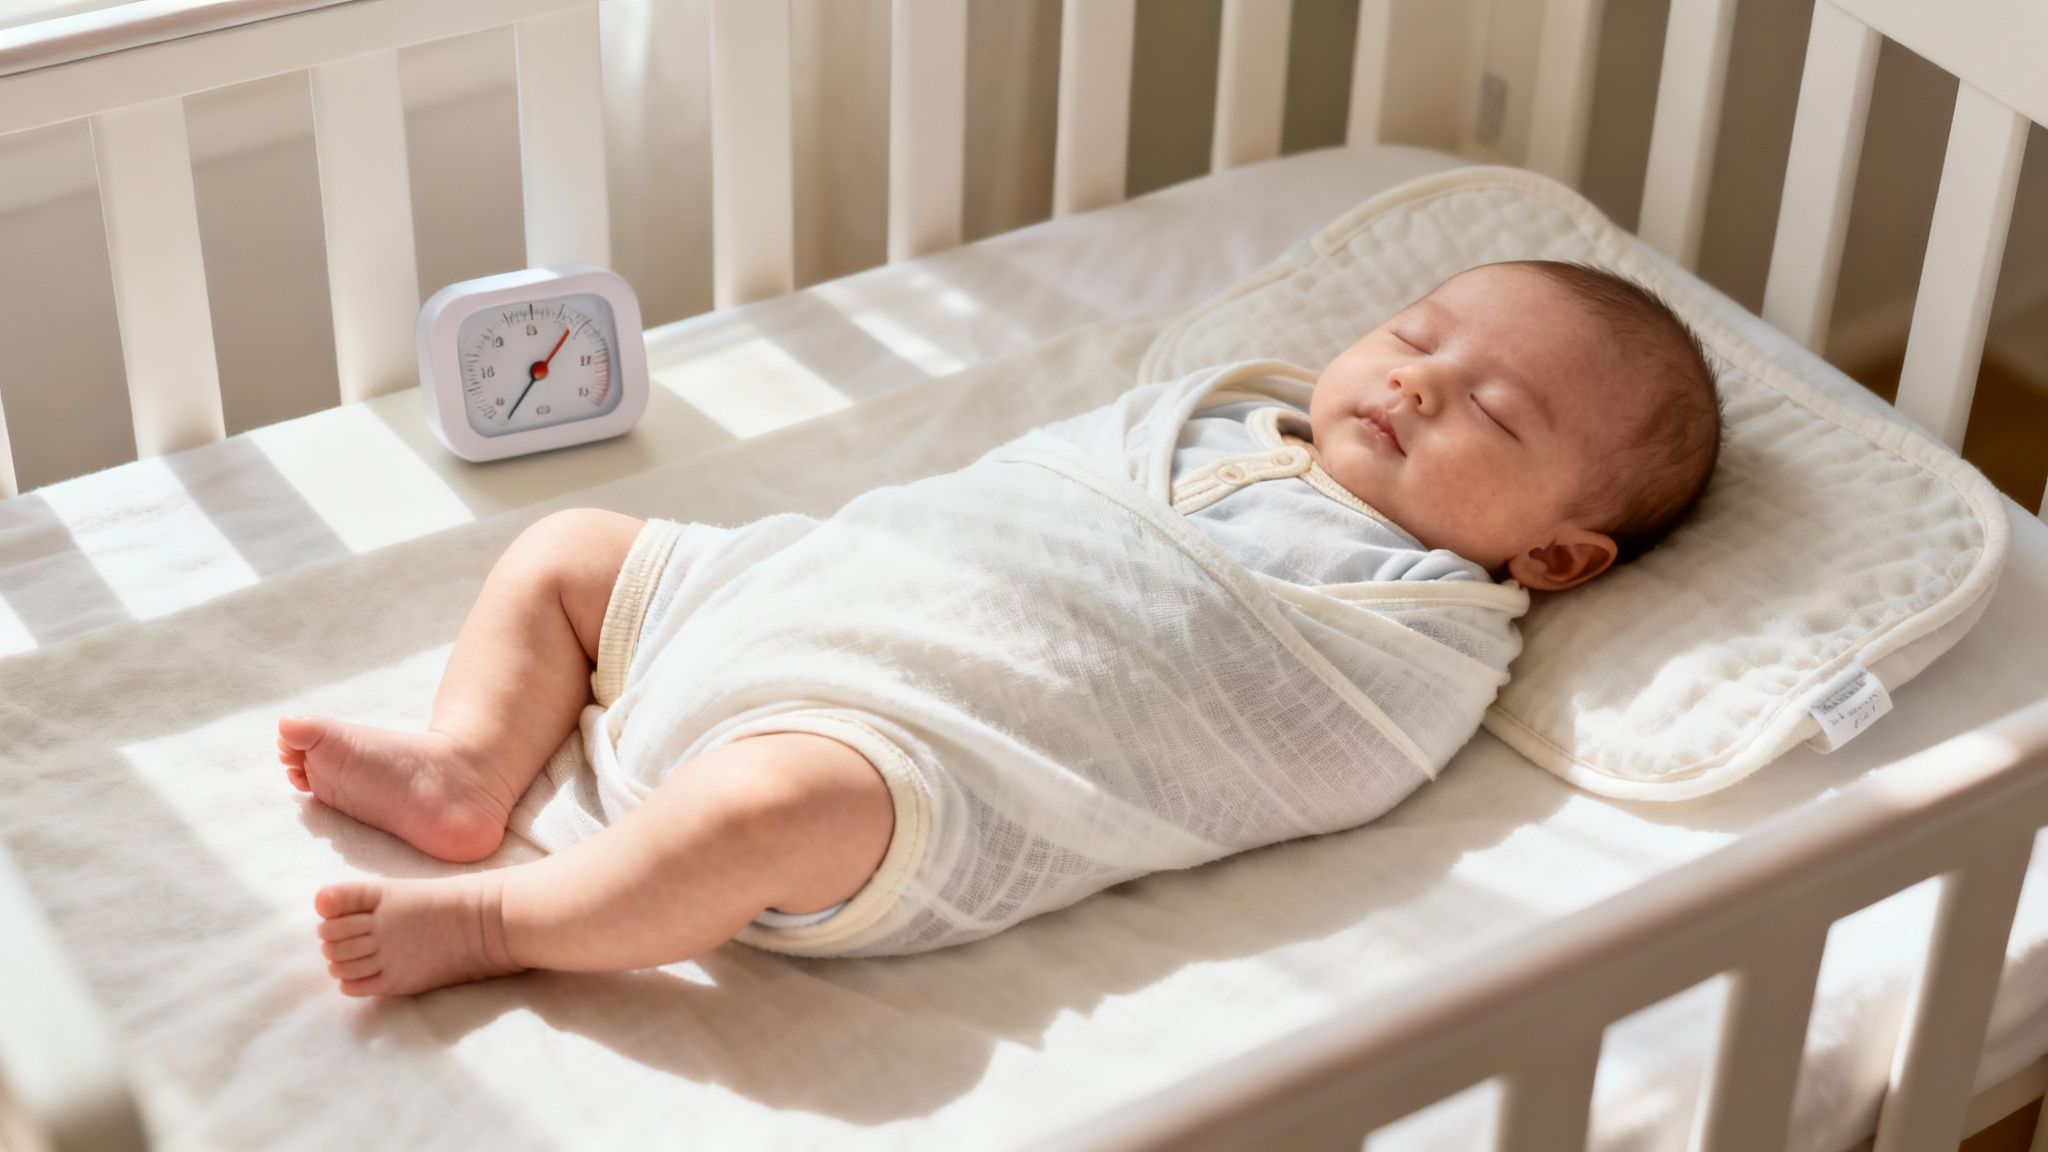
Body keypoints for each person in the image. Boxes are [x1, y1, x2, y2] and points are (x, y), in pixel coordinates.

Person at [282, 259, 1722, 996]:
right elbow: (1025, 486)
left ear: (1554, 552)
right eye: (1417, 338)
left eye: (1493, 409)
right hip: (795, 600)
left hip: (910, 747)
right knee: (570, 551)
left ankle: (499, 919)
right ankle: (468, 769)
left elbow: (1282, 743)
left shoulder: (1418, 625)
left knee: (765, 807)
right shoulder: (1227, 408)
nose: (1418, 384)